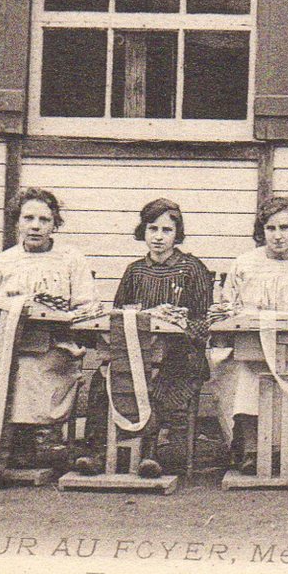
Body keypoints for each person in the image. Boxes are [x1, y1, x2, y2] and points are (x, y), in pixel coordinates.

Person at [0, 187, 97, 484]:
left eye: (44, 219)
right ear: (18, 222)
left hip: (54, 344)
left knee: (27, 368)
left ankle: (34, 441)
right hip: (5, 344)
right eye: (29, 218)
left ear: (54, 224)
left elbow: (87, 306)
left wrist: (55, 314)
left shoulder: (71, 259)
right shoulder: (2, 262)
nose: (36, 225)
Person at [74, 199, 213, 478]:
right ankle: (100, 452)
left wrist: (175, 327)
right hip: (135, 351)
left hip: (179, 355)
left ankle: (149, 454)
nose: (159, 237)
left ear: (177, 233)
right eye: (152, 229)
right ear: (143, 231)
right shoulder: (134, 271)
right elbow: (118, 316)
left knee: (160, 378)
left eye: (166, 230)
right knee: (105, 377)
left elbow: (203, 322)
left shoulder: (192, 269)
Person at [210, 197, 288, 472]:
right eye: (270, 228)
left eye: (284, 228)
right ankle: (253, 450)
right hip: (249, 353)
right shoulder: (245, 264)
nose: (278, 236)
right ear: (262, 230)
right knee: (245, 376)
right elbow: (227, 312)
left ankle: (287, 446)